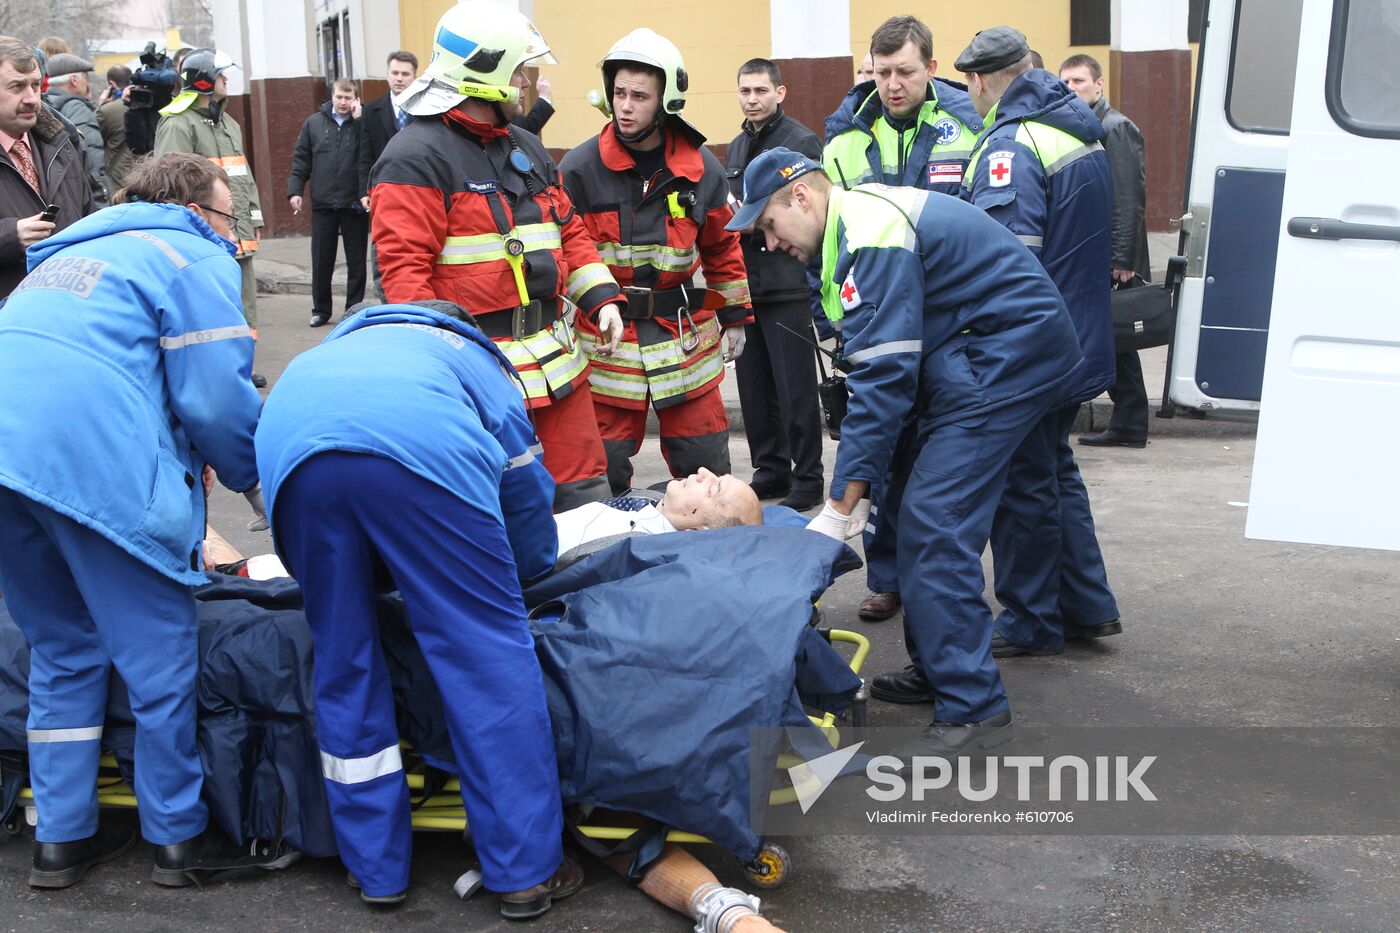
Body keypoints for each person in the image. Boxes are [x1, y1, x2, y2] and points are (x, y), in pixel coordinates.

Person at [729, 148, 1084, 752]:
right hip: (974, 355)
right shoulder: (844, 237)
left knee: (933, 526)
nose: (768, 242)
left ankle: (974, 710)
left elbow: (885, 377)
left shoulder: (870, 233)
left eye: (767, 224)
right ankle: (940, 667)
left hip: (1002, 362)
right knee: (901, 508)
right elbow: (874, 364)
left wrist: (841, 504)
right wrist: (867, 484)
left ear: (801, 197)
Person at [0, 152, 278, 888]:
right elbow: (215, 399)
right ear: (195, 210)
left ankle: (61, 839)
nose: (234, 234)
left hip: (6, 462)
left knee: (62, 648)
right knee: (157, 656)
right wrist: (260, 487)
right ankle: (178, 839)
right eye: (228, 216)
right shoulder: (188, 255)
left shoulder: (67, 256)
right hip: (89, 460)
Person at [254, 300, 580, 917]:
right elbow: (522, 488)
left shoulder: (323, 355)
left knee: (344, 661)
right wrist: (528, 571)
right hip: (423, 454)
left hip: (297, 463)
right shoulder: (474, 357)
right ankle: (524, 871)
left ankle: (374, 868)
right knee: (485, 657)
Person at [369, 1, 624, 512]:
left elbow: (568, 232)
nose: (525, 82)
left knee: (585, 499)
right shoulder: (413, 156)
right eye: (518, 71)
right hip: (481, 372)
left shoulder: (524, 144)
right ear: (485, 75)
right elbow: (404, 280)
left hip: (559, 364)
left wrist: (602, 299)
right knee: (500, 510)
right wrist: (439, 370)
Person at [956, 27, 1121, 659]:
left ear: (980, 80)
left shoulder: (1011, 142)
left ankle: (1031, 620)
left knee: (1022, 485)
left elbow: (1004, 262)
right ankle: (1085, 605)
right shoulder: (1074, 125)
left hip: (1031, 348)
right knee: (1055, 472)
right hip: (1075, 336)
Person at [822, 15, 986, 624]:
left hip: (948, 321)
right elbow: (824, 242)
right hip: (876, 317)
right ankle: (887, 578)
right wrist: (833, 321)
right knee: (883, 454)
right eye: (882, 72)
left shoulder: (966, 129)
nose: (892, 85)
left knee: (940, 463)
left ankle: (937, 582)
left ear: (932, 69)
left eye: (905, 72)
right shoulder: (843, 143)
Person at [559, 28, 752, 495]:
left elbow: (723, 247)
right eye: (619, 93)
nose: (625, 106)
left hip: (683, 340)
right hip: (608, 342)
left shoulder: (700, 168)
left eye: (639, 96)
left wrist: (735, 318)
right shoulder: (578, 169)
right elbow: (564, 247)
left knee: (706, 467)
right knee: (600, 471)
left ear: (666, 102)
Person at [725, 58, 825, 511]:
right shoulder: (735, 147)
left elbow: (806, 212)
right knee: (754, 388)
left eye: (760, 91)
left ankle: (808, 477)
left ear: (780, 93)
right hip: (747, 284)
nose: (752, 99)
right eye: (745, 91)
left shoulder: (800, 141)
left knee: (795, 388)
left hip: (787, 282)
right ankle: (771, 470)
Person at [156, 48, 268, 388]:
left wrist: (254, 218)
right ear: (204, 81)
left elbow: (243, 175)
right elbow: (171, 186)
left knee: (244, 300)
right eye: (220, 75)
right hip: (204, 232)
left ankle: (242, 366)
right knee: (210, 301)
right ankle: (219, 371)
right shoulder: (178, 123)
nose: (226, 79)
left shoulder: (228, 123)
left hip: (236, 227)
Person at [1062, 52, 1153, 449]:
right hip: (1097, 251)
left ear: (1099, 85)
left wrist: (1122, 257)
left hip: (1113, 257)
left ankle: (1131, 423)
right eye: (1065, 82)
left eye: (1079, 81)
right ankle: (1129, 422)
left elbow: (1129, 197)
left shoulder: (1115, 127)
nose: (1071, 89)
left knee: (1119, 338)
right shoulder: (1084, 127)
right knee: (1114, 338)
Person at [0, 37, 94, 298]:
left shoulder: (63, 143)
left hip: (66, 305)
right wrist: (10, 236)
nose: (32, 99)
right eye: (17, 87)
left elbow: (90, 215)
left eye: (35, 85)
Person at [289, 78, 367, 327]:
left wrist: (360, 121)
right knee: (322, 261)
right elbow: (301, 159)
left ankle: (353, 310)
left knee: (357, 263)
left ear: (356, 99)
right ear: (331, 96)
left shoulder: (363, 123)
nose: (343, 102)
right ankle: (321, 310)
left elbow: (371, 152)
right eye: (339, 97)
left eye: (348, 98)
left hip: (354, 204)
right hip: (323, 204)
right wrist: (295, 191)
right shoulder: (314, 123)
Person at [554, 467, 762, 557]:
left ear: (699, 531)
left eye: (713, 489)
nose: (703, 472)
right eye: (717, 476)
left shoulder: (627, 555)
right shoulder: (653, 500)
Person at [357, 50, 417, 300]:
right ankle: (388, 296)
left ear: (414, 77)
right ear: (387, 75)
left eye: (405, 74)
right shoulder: (372, 112)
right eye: (395, 73)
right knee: (385, 244)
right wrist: (364, 189)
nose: (399, 78)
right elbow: (364, 154)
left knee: (415, 242)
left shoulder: (426, 109)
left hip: (418, 188)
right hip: (384, 190)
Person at [40, 53, 107, 203]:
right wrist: (102, 198)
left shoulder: (45, 107)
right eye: (85, 77)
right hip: (85, 196)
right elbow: (93, 158)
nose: (87, 83)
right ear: (74, 79)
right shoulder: (77, 108)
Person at [95, 64, 136, 192]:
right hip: (144, 179)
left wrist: (101, 105)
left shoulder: (107, 111)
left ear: (111, 84)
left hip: (118, 183)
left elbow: (91, 136)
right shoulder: (150, 105)